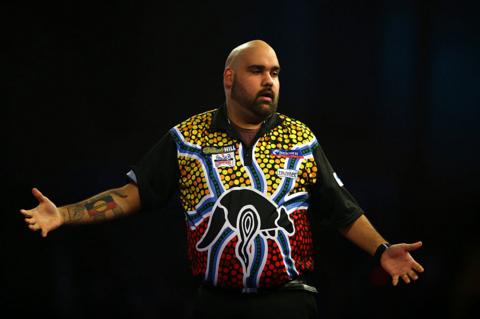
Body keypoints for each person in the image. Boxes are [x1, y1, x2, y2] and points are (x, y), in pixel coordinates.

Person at [20, 40, 424, 319]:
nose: (269, 80)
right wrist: (65, 214)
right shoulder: (188, 137)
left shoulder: (300, 139)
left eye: (276, 73)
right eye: (257, 71)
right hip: (215, 305)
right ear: (229, 78)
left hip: (287, 305)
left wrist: (382, 249)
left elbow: (343, 209)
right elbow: (132, 195)